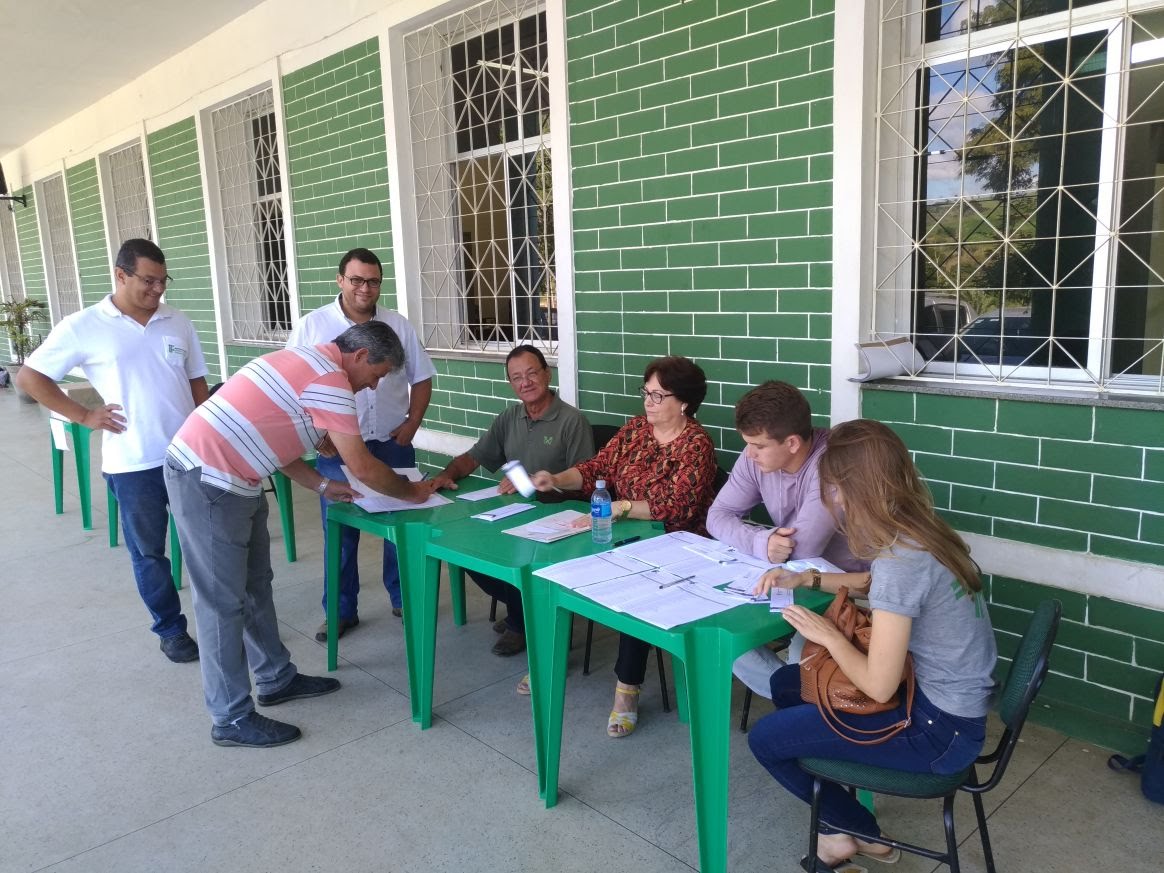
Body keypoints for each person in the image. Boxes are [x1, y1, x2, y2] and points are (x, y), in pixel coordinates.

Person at [164, 321, 436, 748]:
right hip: (209, 478)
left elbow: (272, 439)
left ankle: (276, 678)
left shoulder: (304, 361)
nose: (372, 386)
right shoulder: (331, 380)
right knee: (221, 603)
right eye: (377, 375)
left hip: (237, 478)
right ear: (360, 356)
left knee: (256, 586)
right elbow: (363, 466)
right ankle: (230, 717)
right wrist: (412, 491)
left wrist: (323, 485)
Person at [747, 419, 997, 870]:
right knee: (788, 684)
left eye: (830, 487)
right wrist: (807, 578)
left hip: (936, 731)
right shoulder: (921, 532)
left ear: (847, 489)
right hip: (950, 706)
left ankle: (855, 832)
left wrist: (826, 634)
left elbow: (879, 686)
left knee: (766, 740)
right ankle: (837, 808)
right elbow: (874, 584)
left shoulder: (902, 561)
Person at [16, 238, 207, 664]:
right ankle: (171, 630)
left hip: (189, 457)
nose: (158, 289)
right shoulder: (84, 325)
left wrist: (208, 435)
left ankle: (219, 620)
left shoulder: (177, 321)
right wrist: (84, 416)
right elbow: (30, 377)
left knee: (207, 544)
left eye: (163, 281)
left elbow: (196, 381)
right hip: (133, 463)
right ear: (121, 275)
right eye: (148, 281)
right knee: (149, 553)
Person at [531, 356, 717, 737]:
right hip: (623, 533)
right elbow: (596, 469)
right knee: (555, 564)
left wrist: (622, 507)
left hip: (677, 544)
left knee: (638, 589)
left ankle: (627, 689)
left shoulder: (696, 444)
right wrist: (557, 479)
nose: (648, 401)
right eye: (646, 392)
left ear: (684, 402)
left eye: (658, 395)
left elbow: (677, 507)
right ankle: (546, 660)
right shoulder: (635, 430)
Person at [287, 247, 436, 641]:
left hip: (391, 442)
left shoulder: (398, 325)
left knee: (400, 526)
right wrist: (316, 436)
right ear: (340, 280)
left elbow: (422, 377)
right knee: (340, 532)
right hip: (335, 448)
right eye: (356, 280)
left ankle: (404, 598)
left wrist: (412, 423)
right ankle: (340, 611)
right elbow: (294, 386)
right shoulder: (312, 326)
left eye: (373, 281)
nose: (364, 289)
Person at [431, 344, 594, 660]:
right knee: (466, 548)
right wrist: (446, 475)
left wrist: (535, 484)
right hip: (514, 513)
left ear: (547, 374)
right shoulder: (509, 417)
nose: (526, 382)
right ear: (510, 383)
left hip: (558, 517)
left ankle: (522, 621)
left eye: (532, 373)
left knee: (518, 554)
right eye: (517, 377)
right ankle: (523, 605)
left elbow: (585, 483)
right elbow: (475, 457)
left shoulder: (572, 421)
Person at [705, 381, 868, 696]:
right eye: (748, 443)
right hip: (791, 580)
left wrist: (771, 549)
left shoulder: (831, 463)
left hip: (846, 588)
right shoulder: (756, 457)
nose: (749, 454)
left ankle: (802, 693)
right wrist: (761, 542)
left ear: (792, 443)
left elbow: (802, 552)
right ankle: (799, 694)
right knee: (718, 631)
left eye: (758, 446)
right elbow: (717, 516)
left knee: (800, 655)